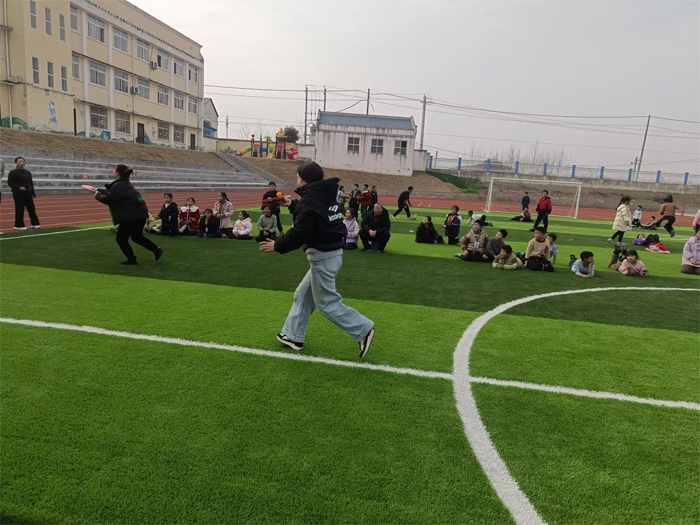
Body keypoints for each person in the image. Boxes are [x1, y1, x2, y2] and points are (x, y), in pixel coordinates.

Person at [258, 162, 375, 358]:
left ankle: (363, 329)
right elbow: (316, 214)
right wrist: (292, 205)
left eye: (297, 178)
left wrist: (277, 245)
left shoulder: (311, 200)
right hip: (330, 253)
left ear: (305, 180)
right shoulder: (324, 194)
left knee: (327, 304)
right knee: (302, 295)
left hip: (324, 257)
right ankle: (293, 335)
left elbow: (300, 232)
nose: (296, 181)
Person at [92, 164, 163, 265]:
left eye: (114, 171)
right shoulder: (124, 183)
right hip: (140, 214)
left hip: (132, 216)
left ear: (118, 173)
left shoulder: (119, 185)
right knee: (136, 237)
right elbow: (112, 193)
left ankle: (132, 259)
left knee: (121, 239)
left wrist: (97, 195)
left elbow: (109, 199)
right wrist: (97, 190)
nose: (113, 172)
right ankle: (156, 250)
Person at [7, 156, 40, 230]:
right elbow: (10, 183)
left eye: (22, 161)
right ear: (16, 163)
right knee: (20, 208)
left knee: (31, 208)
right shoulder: (13, 172)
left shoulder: (28, 172)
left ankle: (35, 223)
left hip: (28, 192)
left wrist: (33, 192)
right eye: (19, 161)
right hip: (18, 193)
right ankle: (18, 225)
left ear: (25, 163)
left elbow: (30, 183)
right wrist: (19, 187)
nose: (21, 163)